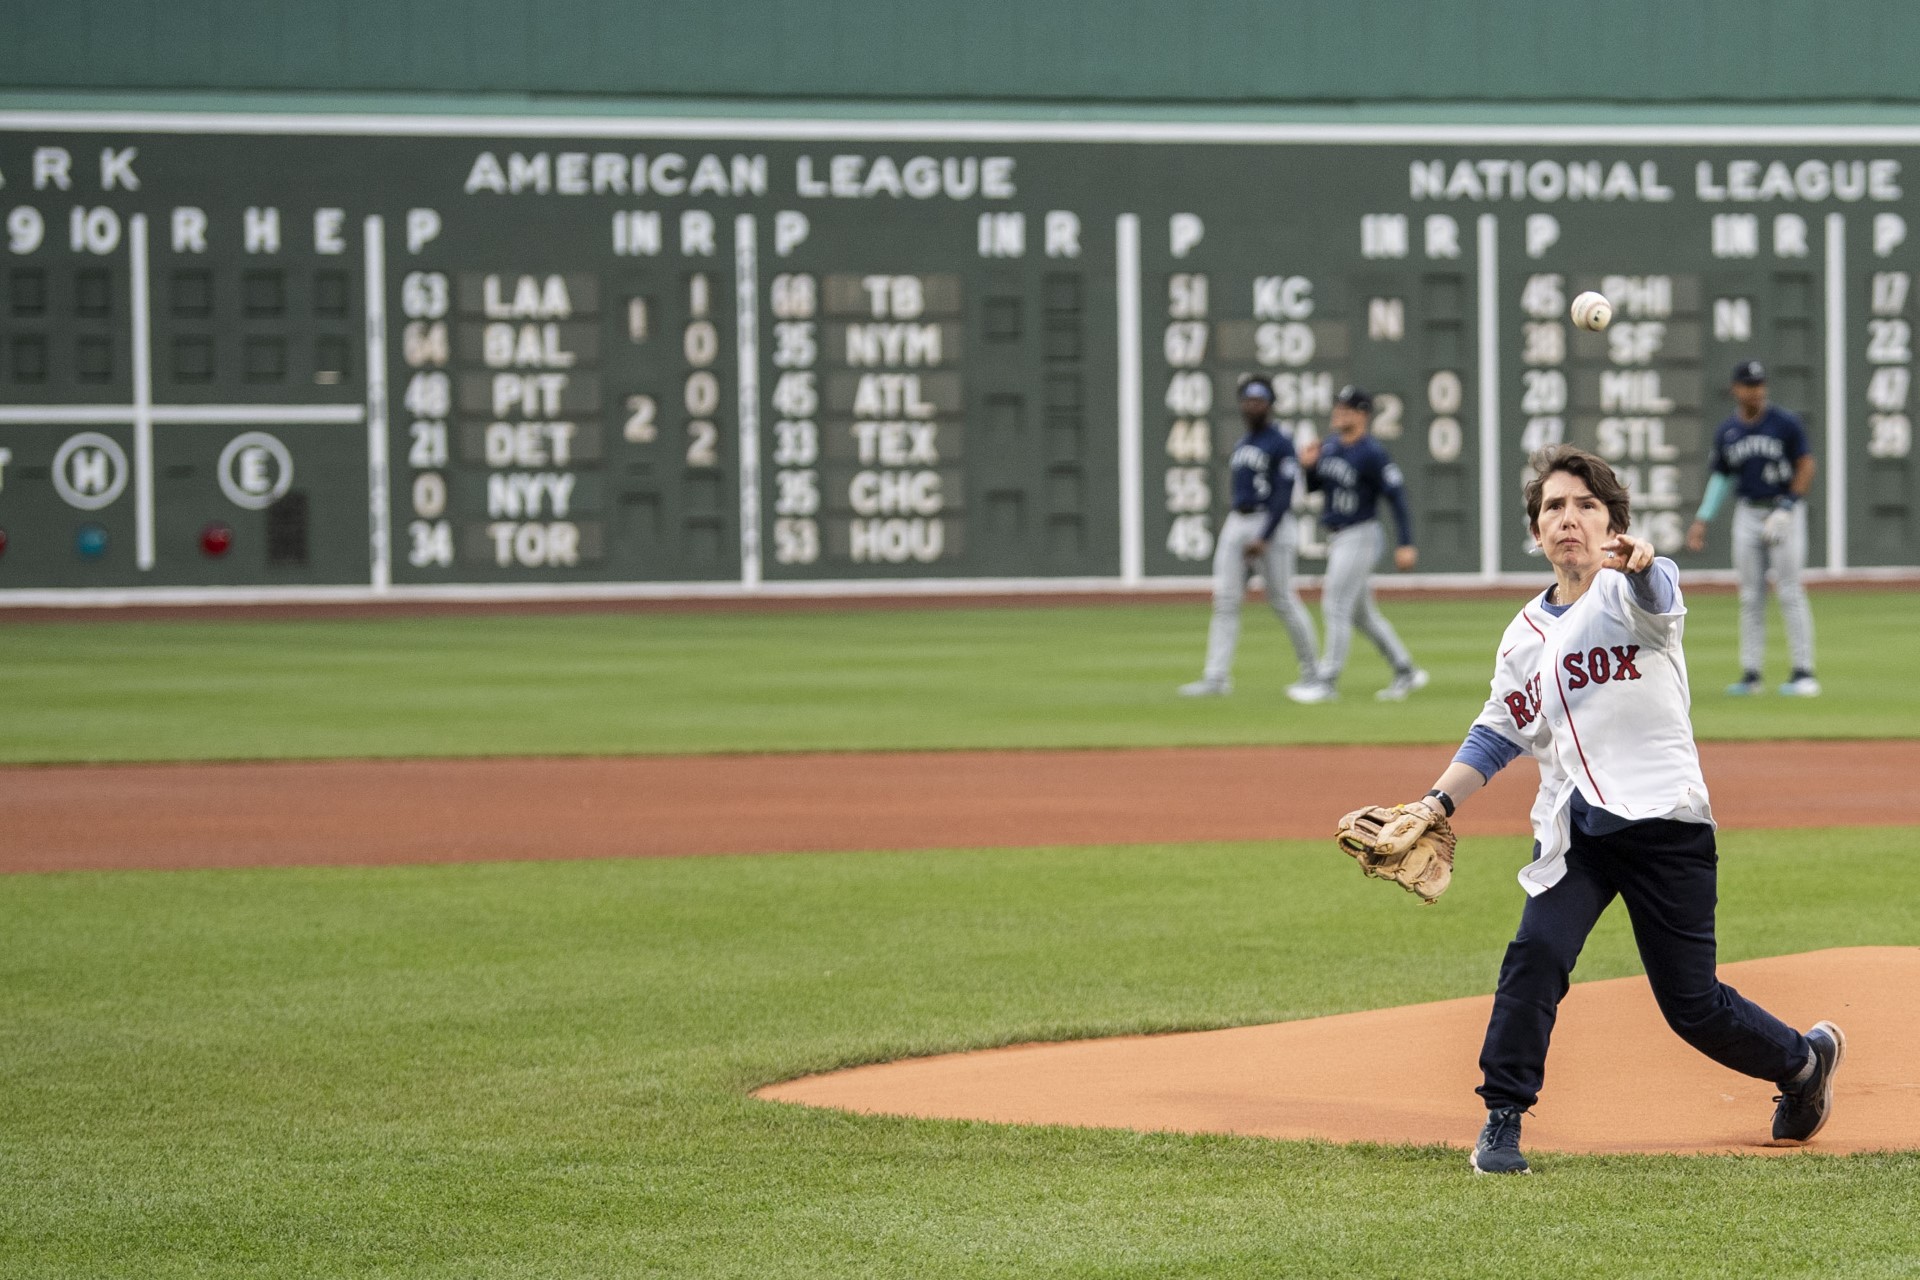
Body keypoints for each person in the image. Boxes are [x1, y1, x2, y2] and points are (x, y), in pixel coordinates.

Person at [1393, 445, 1843, 1174]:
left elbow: (1660, 593)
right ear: (1536, 533)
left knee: (1691, 1005)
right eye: (1553, 508)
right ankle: (1503, 1118)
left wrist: (1640, 563)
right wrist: (1437, 801)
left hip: (1667, 823)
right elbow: (1499, 730)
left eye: (1586, 505)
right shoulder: (1523, 637)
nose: (1569, 519)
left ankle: (1802, 1064)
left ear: (1613, 523)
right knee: (1536, 955)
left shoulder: (1632, 592)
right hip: (1581, 830)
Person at [1685, 360, 1819, 696]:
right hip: (1748, 513)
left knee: (1789, 590)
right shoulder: (1729, 431)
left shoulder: (1785, 423)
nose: (1756, 391)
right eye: (1749, 385)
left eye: (1760, 384)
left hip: (1782, 511)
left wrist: (1789, 505)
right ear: (1736, 389)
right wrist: (1703, 518)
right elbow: (1722, 476)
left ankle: (1803, 672)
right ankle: (1751, 674)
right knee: (1749, 596)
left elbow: (1806, 464)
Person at [1179, 374, 1318, 695]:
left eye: (1258, 400)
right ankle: (1216, 678)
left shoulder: (1281, 441)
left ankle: (1313, 673)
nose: (1251, 405)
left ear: (1269, 405)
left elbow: (1284, 494)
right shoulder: (1244, 443)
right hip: (1238, 521)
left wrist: (1265, 535)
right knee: (1225, 601)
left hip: (1271, 522)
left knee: (1283, 600)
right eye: (1247, 400)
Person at [1287, 384, 1427, 704]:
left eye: (1347, 408)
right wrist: (1308, 468)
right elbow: (1315, 489)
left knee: (1334, 603)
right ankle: (1405, 669)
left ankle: (1327, 681)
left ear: (1362, 415)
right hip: (1338, 536)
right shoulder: (1332, 447)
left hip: (1360, 533)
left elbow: (1397, 498)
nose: (1339, 413)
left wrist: (1405, 542)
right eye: (1338, 407)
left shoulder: (1372, 453)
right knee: (1361, 615)